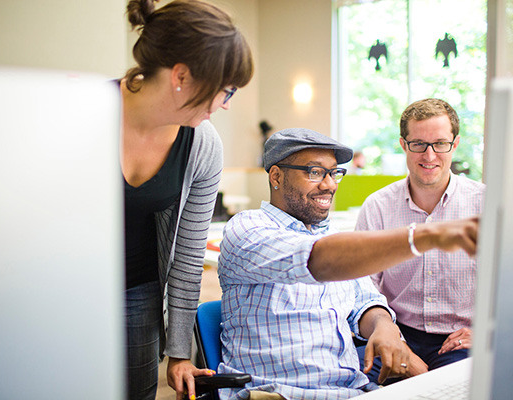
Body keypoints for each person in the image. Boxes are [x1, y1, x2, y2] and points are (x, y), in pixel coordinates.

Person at [216, 128, 479, 399]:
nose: (329, 185)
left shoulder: (330, 236)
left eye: (334, 173)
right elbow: (318, 260)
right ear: (276, 176)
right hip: (279, 392)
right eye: (315, 172)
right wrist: (426, 235)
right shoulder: (247, 229)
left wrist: (384, 327)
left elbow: (364, 300)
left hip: (352, 390)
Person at [120, 1, 253, 399]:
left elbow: (189, 257)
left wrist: (179, 353)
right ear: (181, 77)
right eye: (225, 91)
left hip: (137, 289)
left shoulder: (203, 143)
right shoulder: (85, 113)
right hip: (64, 285)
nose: (226, 104)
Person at [355, 98, 485, 380]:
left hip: (461, 340)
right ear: (403, 145)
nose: (429, 155)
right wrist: (395, 340)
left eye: (440, 143)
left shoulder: (485, 204)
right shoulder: (377, 207)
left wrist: (489, 329)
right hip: (395, 332)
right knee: (352, 379)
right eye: (418, 144)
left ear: (455, 143)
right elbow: (363, 287)